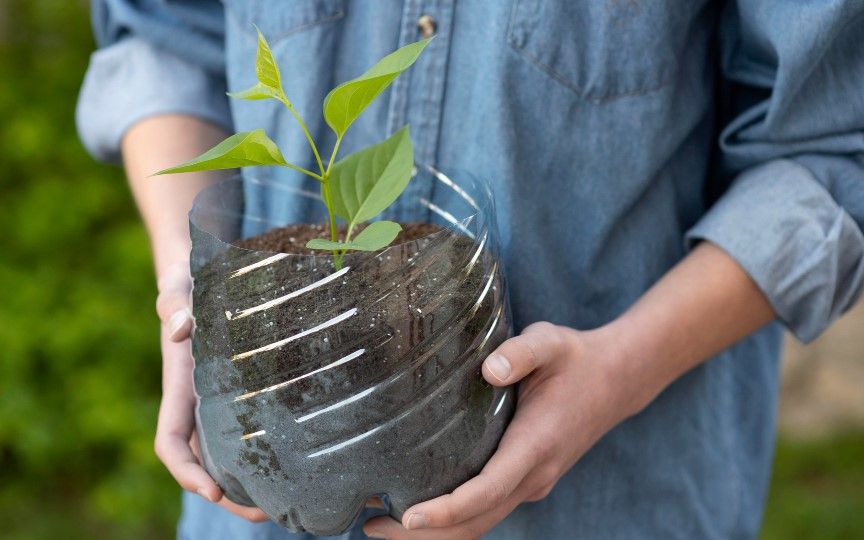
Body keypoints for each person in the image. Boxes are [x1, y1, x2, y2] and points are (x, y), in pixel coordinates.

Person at [77, 1, 864, 538]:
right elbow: (163, 35)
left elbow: (832, 150)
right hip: (259, 479)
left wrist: (619, 370)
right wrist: (187, 282)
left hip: (610, 490)